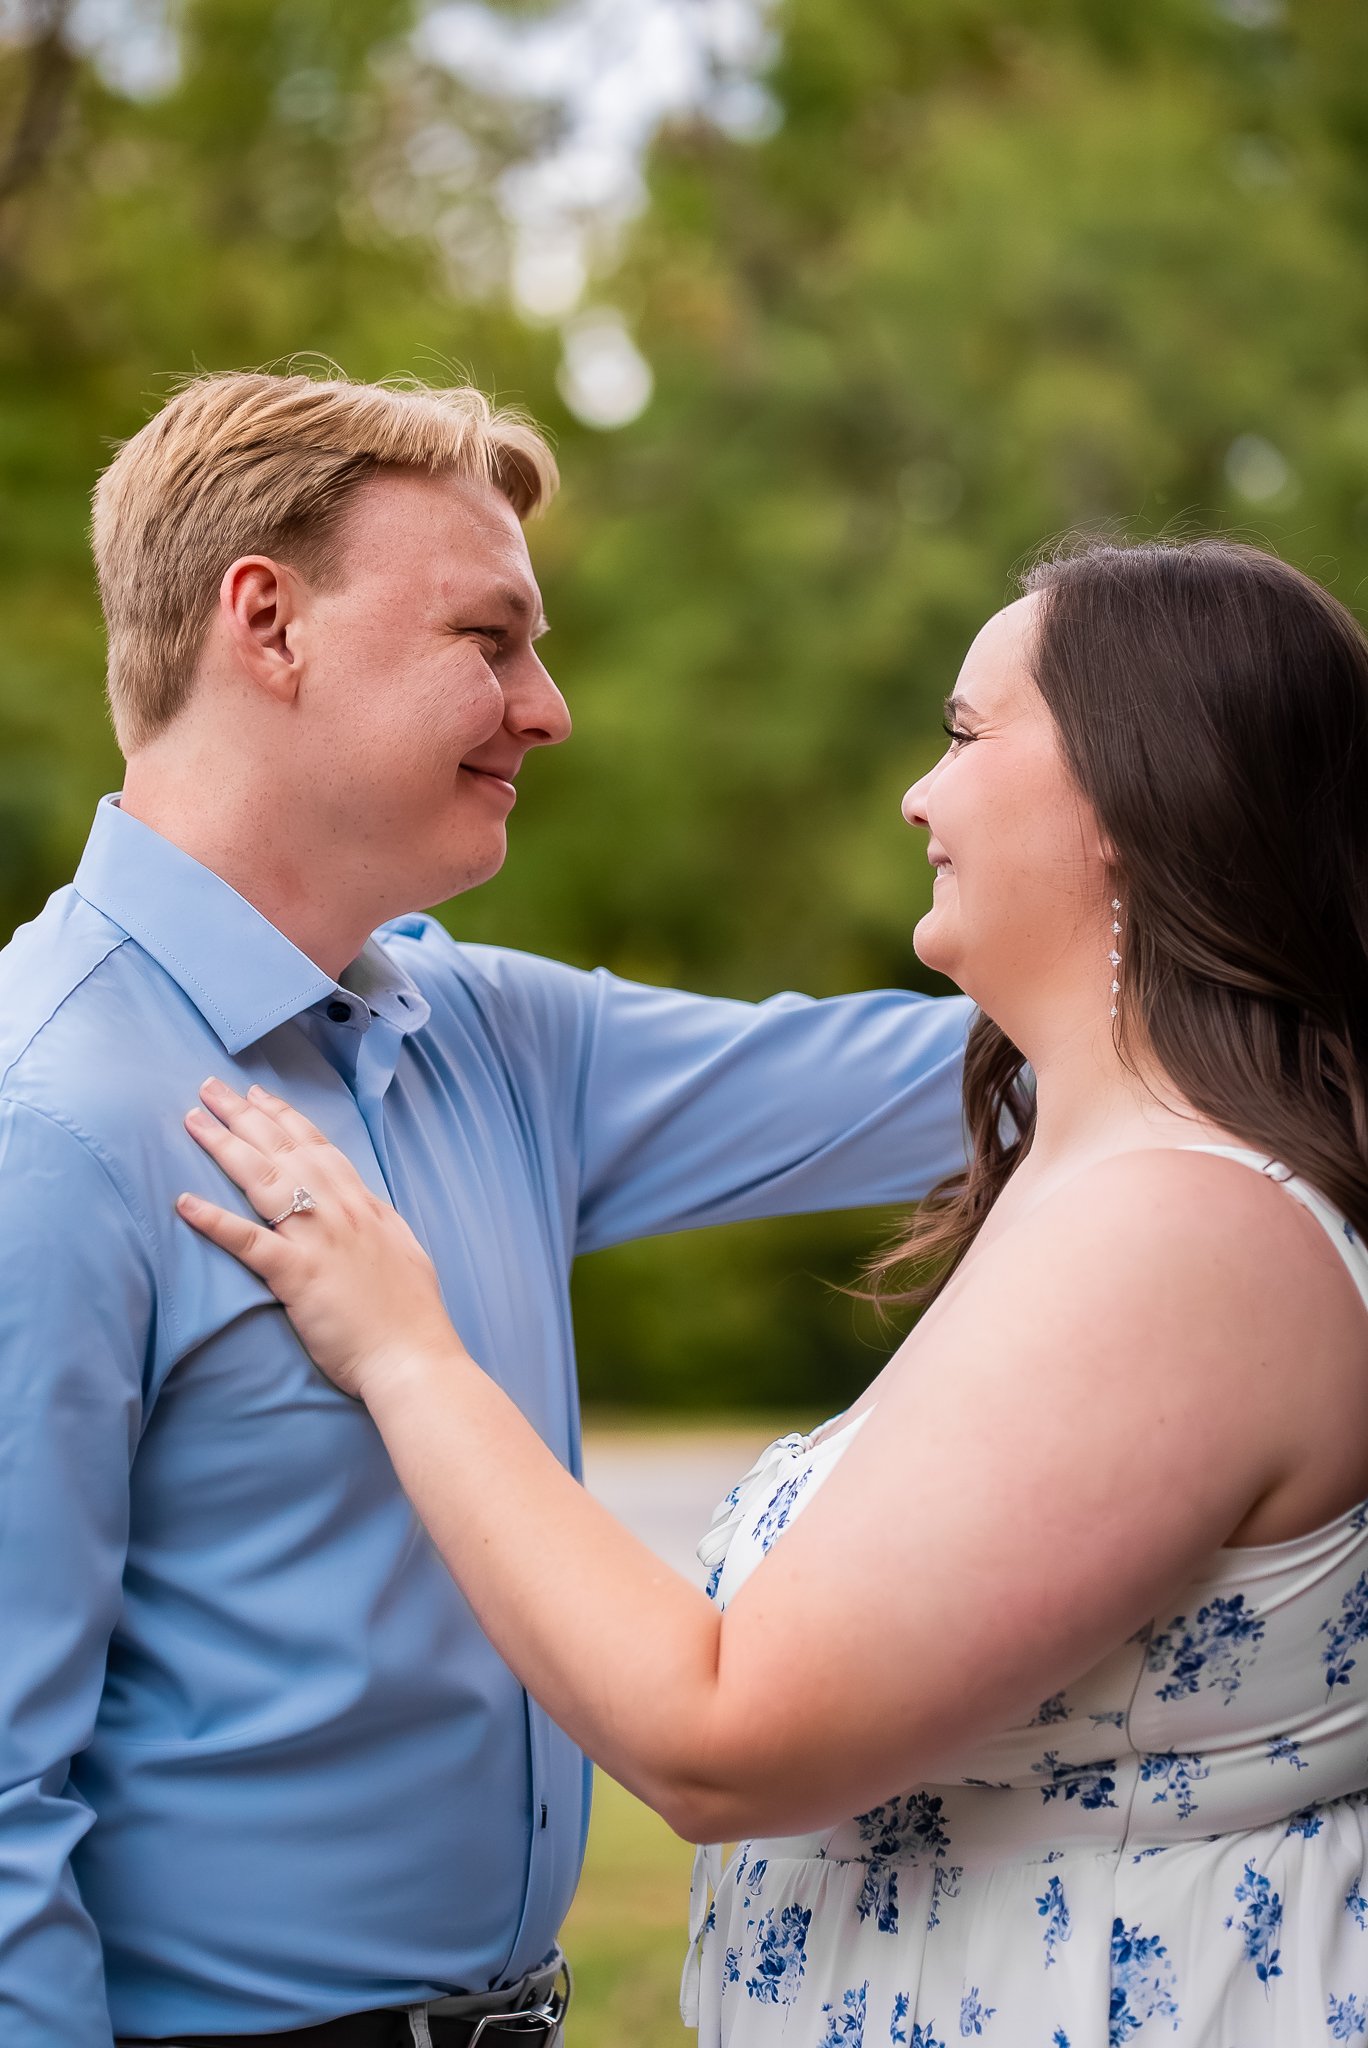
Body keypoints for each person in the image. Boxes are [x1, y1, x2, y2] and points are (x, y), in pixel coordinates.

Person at [183, 536, 1368, 2046]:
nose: (917, 794)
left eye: (962, 733)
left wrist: (410, 1353)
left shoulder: (1186, 1236)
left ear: (1140, 788)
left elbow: (726, 1740)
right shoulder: (1129, 1177)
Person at [0, 369, 972, 2048]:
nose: (549, 707)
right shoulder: (53, 1120)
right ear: (268, 623)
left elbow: (957, 1077)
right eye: (490, 637)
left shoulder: (498, 1040)